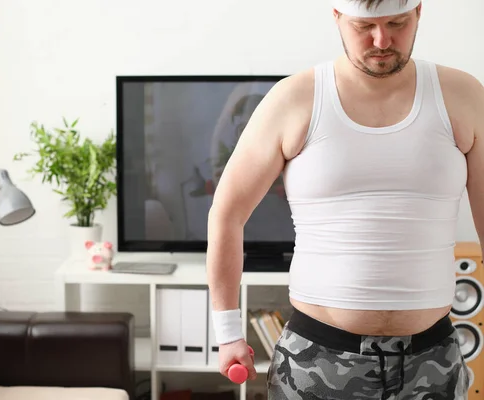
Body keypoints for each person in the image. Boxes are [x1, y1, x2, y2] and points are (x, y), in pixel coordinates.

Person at [206, 0, 484, 398]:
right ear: (337, 18)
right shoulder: (294, 98)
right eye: (364, 26)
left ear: (419, 12)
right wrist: (228, 333)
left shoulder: (464, 95)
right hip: (316, 360)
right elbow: (226, 213)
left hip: (433, 359)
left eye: (397, 23)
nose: (381, 39)